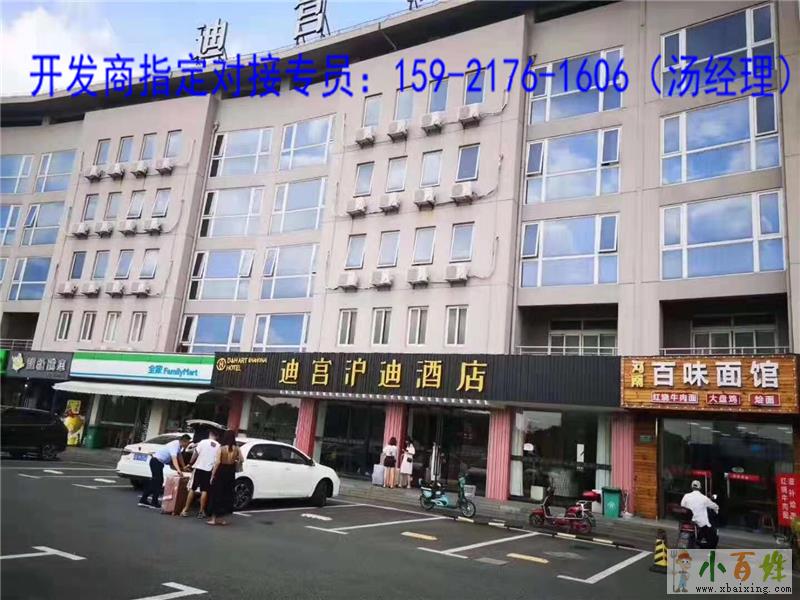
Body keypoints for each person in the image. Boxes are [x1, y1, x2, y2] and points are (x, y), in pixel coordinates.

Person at [139, 434, 191, 508]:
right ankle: (152, 502)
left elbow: (180, 457)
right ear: (183, 441)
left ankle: (145, 500)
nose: (188, 445)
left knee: (156, 482)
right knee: (157, 482)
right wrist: (179, 470)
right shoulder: (175, 446)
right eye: (187, 443)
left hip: (158, 463)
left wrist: (184, 467)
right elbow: (174, 459)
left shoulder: (178, 446)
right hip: (156, 462)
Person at [180, 429, 220, 518]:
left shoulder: (203, 442)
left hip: (198, 468)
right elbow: (217, 460)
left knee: (192, 488)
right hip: (208, 470)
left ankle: (185, 510)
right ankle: (201, 512)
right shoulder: (218, 446)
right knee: (204, 490)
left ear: (210, 434)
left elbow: (195, 453)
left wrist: (190, 463)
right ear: (217, 437)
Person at [207, 430, 242, 526]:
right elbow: (241, 459)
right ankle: (222, 519)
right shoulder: (237, 448)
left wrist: (212, 475)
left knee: (217, 494)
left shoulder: (221, 448)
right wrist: (235, 461)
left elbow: (217, 462)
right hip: (230, 473)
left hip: (221, 472)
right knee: (226, 495)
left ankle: (213, 519)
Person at [680, 480, 719, 548]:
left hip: (687, 521)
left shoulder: (686, 496)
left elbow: (682, 505)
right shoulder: (704, 498)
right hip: (700, 523)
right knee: (713, 537)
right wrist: (716, 509)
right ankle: (705, 548)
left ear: (691, 487)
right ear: (700, 488)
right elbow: (714, 506)